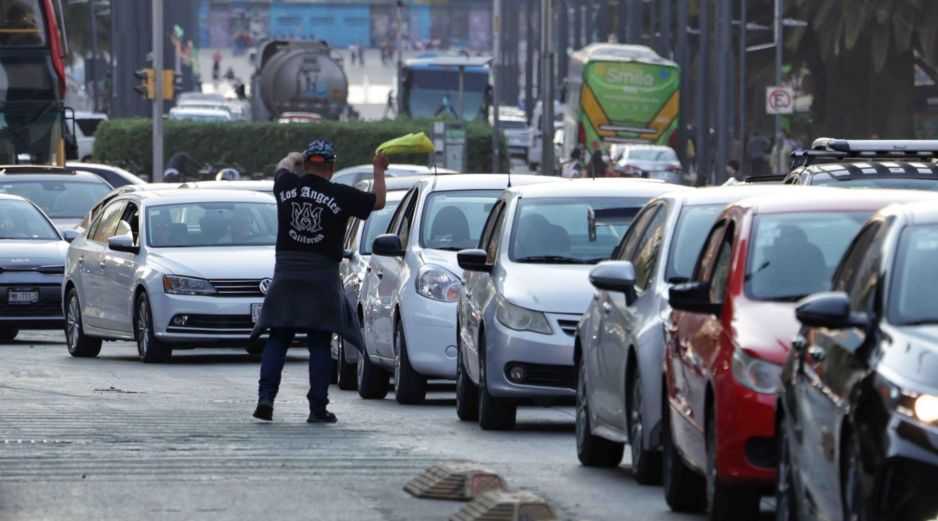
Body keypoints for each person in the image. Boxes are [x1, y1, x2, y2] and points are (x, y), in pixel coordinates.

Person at [251, 141, 387, 424]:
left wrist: (293, 157)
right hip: (322, 275)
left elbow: (282, 166)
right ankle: (317, 409)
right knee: (320, 342)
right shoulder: (339, 193)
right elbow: (378, 201)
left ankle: (266, 398)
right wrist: (378, 169)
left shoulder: (286, 185)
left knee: (278, 336)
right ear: (332, 167)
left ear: (307, 164)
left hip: (286, 273)